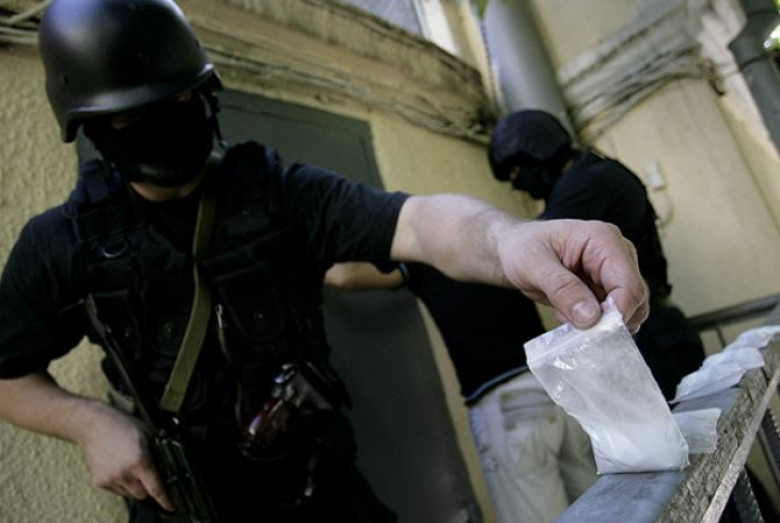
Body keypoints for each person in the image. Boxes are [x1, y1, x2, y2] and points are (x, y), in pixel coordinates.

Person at [0, 1, 648, 522]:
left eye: (179, 100)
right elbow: (7, 375)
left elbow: (419, 223)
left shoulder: (276, 191)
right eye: (135, 117)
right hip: (186, 501)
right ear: (91, 126)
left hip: (319, 488)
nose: (168, 121)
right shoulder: (63, 243)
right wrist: (90, 424)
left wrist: (510, 241)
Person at [326, 261, 598, 523]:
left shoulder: (424, 251)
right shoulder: (492, 237)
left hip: (507, 403)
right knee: (598, 508)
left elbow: (344, 276)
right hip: (554, 388)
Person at [489, 109, 706, 400]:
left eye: (517, 171)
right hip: (654, 334)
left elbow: (534, 250)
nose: (518, 184)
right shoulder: (594, 170)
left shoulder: (583, 184)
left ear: (537, 152)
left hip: (650, 343)